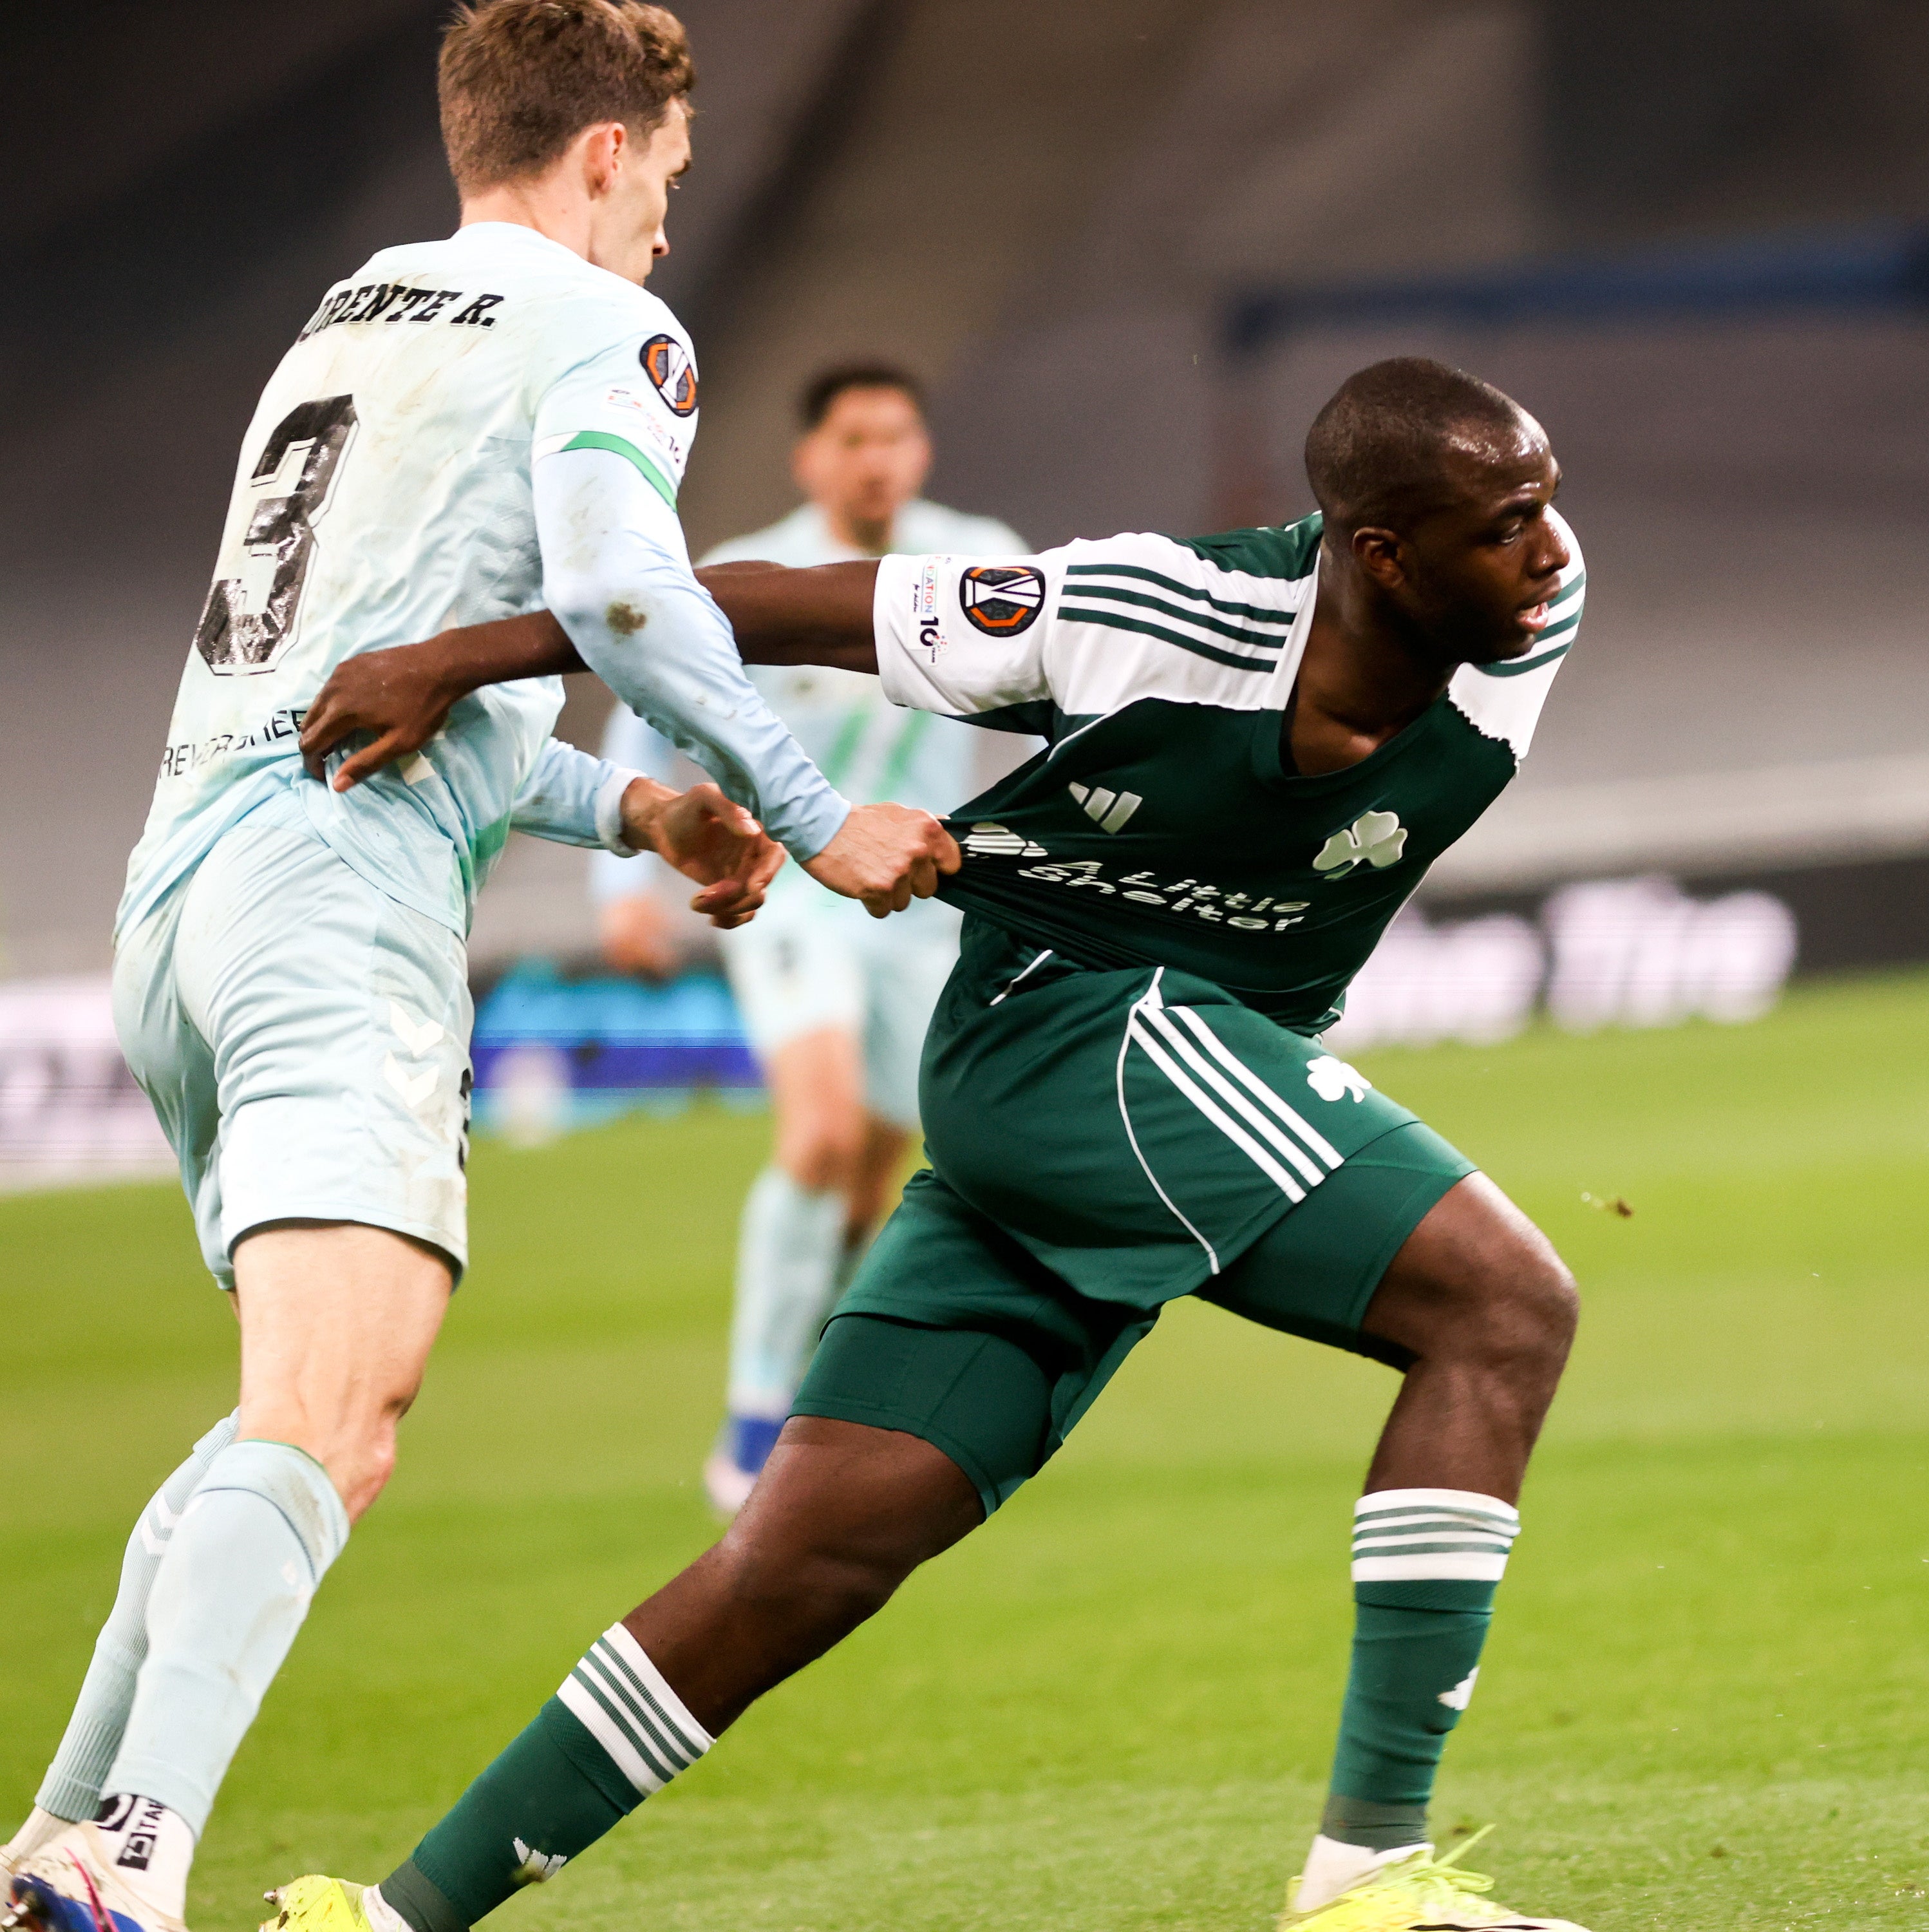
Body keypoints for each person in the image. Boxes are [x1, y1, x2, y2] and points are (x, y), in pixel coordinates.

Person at [265, 356, 1596, 1932]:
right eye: (1511, 521)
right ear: (1380, 551)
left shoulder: (1535, 612)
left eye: (1549, 506)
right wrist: (458, 657)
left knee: (802, 1559)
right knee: (1505, 1306)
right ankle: (1370, 1880)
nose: (1553, 549)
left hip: (1122, 1080)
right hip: (1074, 1026)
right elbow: (771, 602)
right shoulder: (1155, 615)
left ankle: (388, 1917)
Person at [0, 10, 960, 1932]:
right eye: (668, 185)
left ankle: (59, 1857)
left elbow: (376, 691)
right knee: (332, 1419)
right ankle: (127, 1867)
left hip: (188, 894)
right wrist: (798, 799)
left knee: (285, 1415)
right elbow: (621, 592)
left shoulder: (354, 311)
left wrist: (640, 814)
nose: (670, 233)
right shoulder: (610, 331)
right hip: (333, 918)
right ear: (604, 152)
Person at [588, 363, 1030, 1514]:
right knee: (822, 1131)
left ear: (922, 451)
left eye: (896, 435)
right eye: (853, 438)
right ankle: (748, 1432)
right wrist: (622, 891)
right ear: (812, 459)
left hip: (921, 903)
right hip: (792, 889)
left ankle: (818, 1404)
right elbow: (643, 706)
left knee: (874, 1177)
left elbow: (1052, 698)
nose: (876, 458)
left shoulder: (975, 560)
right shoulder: (757, 574)